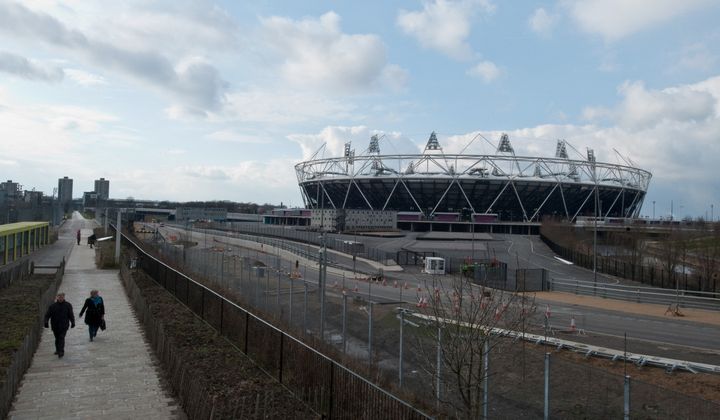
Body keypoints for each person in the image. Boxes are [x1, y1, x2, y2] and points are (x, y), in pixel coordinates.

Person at [44, 293, 75, 358]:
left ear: (64, 297)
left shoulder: (68, 305)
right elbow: (47, 315)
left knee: (61, 337)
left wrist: (73, 322)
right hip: (55, 325)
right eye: (59, 297)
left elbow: (71, 315)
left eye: (62, 297)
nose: (60, 298)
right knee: (57, 338)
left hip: (64, 325)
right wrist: (46, 322)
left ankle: (61, 351)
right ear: (57, 298)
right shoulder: (52, 306)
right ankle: (57, 349)